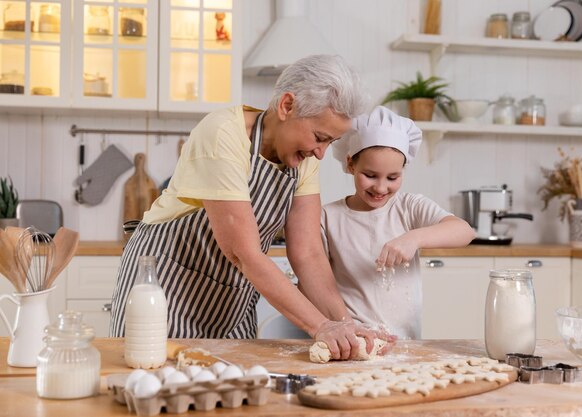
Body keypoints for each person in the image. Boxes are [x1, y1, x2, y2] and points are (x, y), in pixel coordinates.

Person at [109, 54, 385, 360]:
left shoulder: (304, 158)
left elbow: (307, 252)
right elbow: (243, 253)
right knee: (152, 380)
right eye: (320, 137)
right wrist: (321, 326)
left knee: (235, 390)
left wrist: (344, 324)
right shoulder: (223, 133)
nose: (321, 153)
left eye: (331, 142)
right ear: (286, 106)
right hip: (166, 286)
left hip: (231, 297)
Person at [321, 105, 476, 339]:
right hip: (353, 339)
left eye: (393, 177)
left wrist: (414, 238)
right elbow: (317, 284)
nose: (381, 187)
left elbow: (464, 231)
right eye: (370, 175)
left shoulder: (409, 207)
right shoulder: (328, 217)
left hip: (406, 342)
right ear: (351, 164)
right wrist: (346, 327)